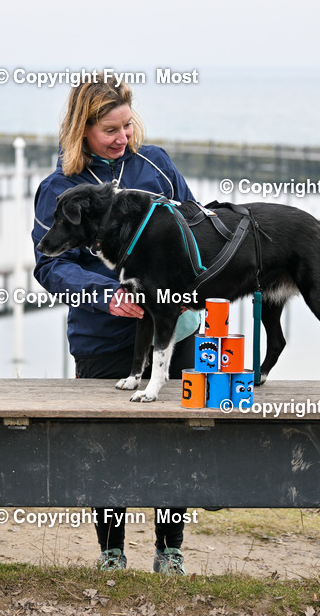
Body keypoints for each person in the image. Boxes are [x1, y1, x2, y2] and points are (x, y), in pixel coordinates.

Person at [32, 78, 197, 574]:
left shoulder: (157, 166)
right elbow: (50, 267)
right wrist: (108, 296)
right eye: (110, 129)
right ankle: (111, 553)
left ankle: (170, 551)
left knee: (171, 442)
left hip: (176, 329)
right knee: (104, 446)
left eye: (127, 125)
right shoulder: (58, 188)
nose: (123, 136)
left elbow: (195, 225)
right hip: (103, 336)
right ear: (81, 129)